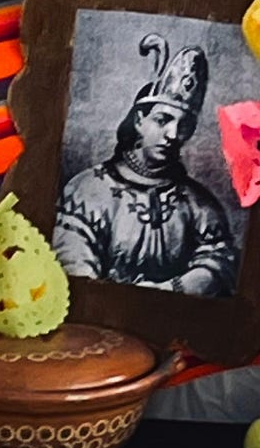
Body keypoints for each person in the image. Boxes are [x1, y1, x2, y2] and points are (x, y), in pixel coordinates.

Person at [53, 35, 237, 297]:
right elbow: (72, 270)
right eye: (163, 120)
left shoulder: (200, 204)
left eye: (183, 125)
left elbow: (221, 262)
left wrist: (171, 289)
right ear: (139, 120)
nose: (173, 134)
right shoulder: (87, 192)